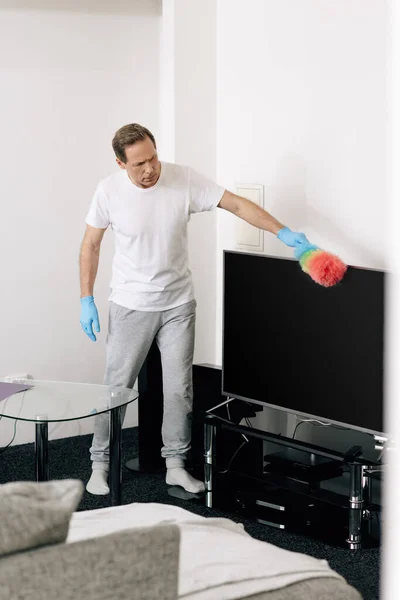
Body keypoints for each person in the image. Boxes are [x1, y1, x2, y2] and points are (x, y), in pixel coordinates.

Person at [79, 123, 309, 495]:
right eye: (138, 164)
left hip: (178, 304)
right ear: (121, 163)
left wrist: (282, 231)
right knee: (116, 388)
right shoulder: (108, 191)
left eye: (153, 157)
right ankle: (100, 463)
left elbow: (235, 203)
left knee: (179, 390)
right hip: (131, 305)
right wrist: (85, 298)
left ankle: (175, 464)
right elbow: (90, 244)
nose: (150, 169)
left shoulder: (183, 179)